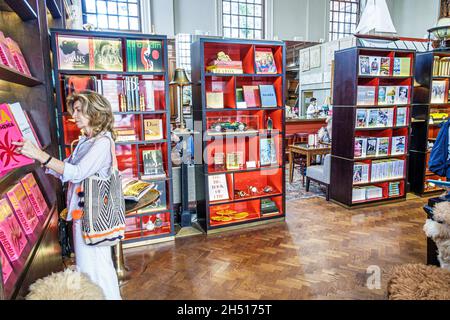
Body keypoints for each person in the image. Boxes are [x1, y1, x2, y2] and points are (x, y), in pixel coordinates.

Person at [13, 91, 122, 300]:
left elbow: (77, 172)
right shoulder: (86, 141)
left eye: (80, 110)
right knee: (89, 270)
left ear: (95, 111)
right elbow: (67, 170)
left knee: (98, 271)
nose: (75, 116)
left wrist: (40, 156)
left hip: (93, 218)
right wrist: (37, 156)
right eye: (74, 110)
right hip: (82, 215)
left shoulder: (102, 143)